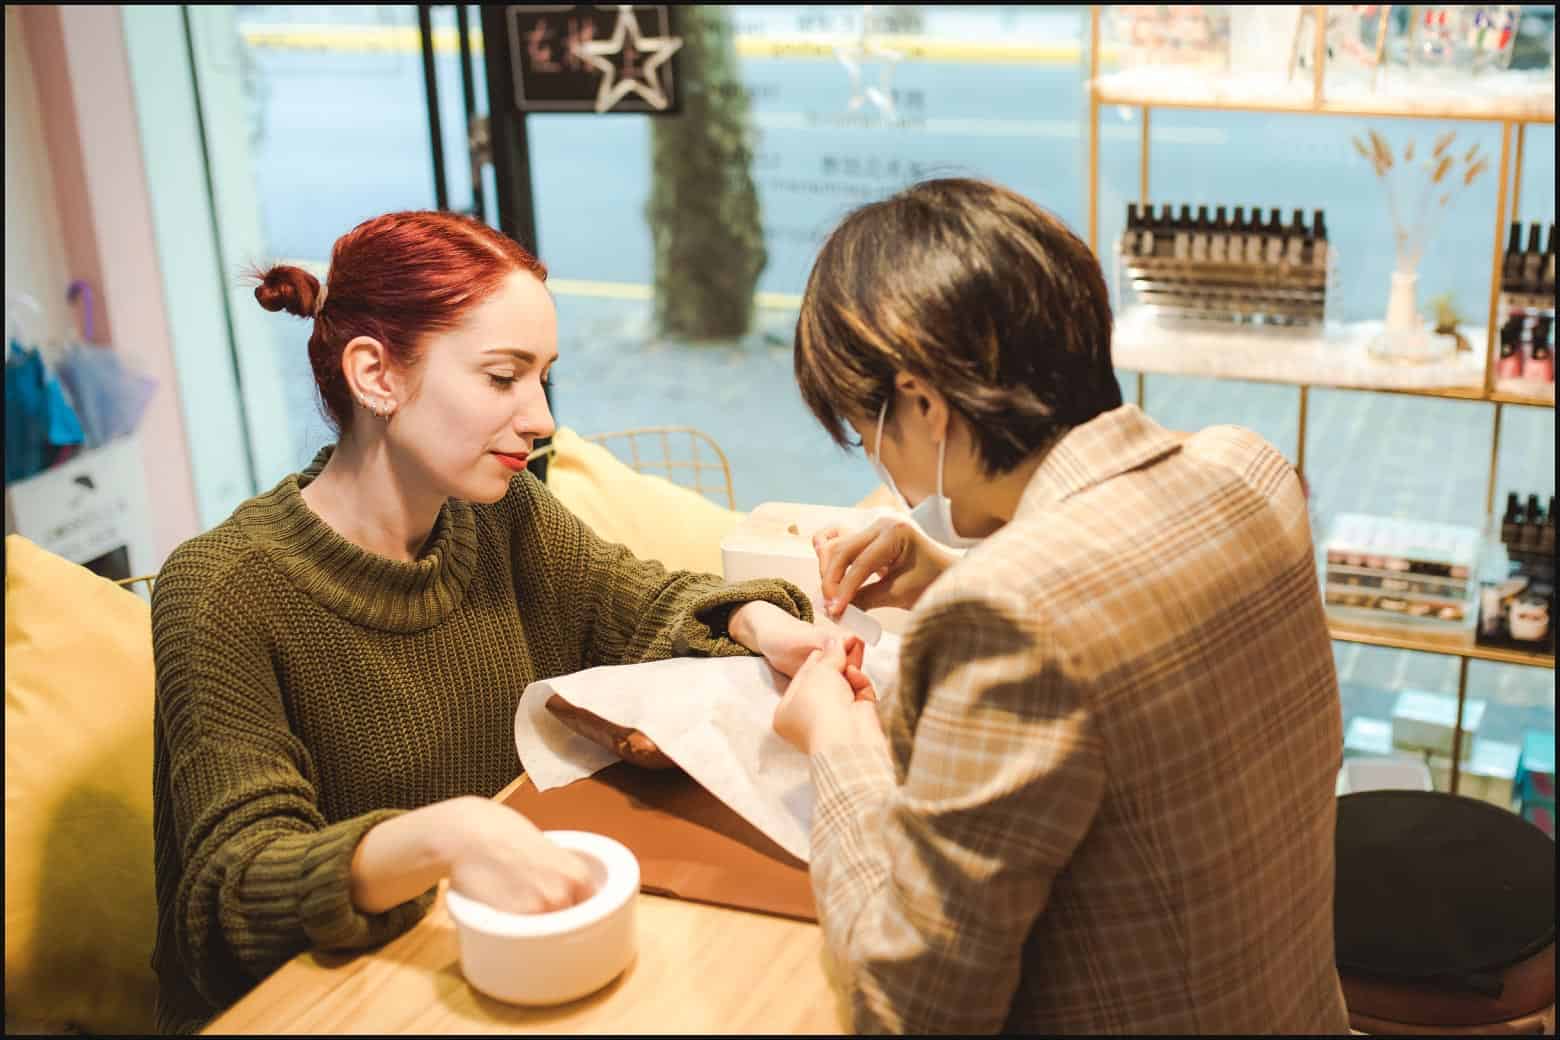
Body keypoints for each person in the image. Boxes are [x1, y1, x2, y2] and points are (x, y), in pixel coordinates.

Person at [149, 210, 839, 1033]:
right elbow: (231, 896)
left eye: (543, 376)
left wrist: (768, 626)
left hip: (490, 954)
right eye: (503, 377)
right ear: (375, 375)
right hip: (335, 999)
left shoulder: (501, 517)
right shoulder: (224, 590)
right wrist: (448, 836)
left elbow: (639, 600)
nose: (542, 418)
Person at [772, 178, 1350, 1034]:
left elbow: (908, 1010)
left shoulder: (1007, 621)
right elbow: (1127, 618)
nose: (877, 466)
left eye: (869, 431)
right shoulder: (1249, 469)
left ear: (925, 404)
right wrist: (946, 570)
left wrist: (837, 738)